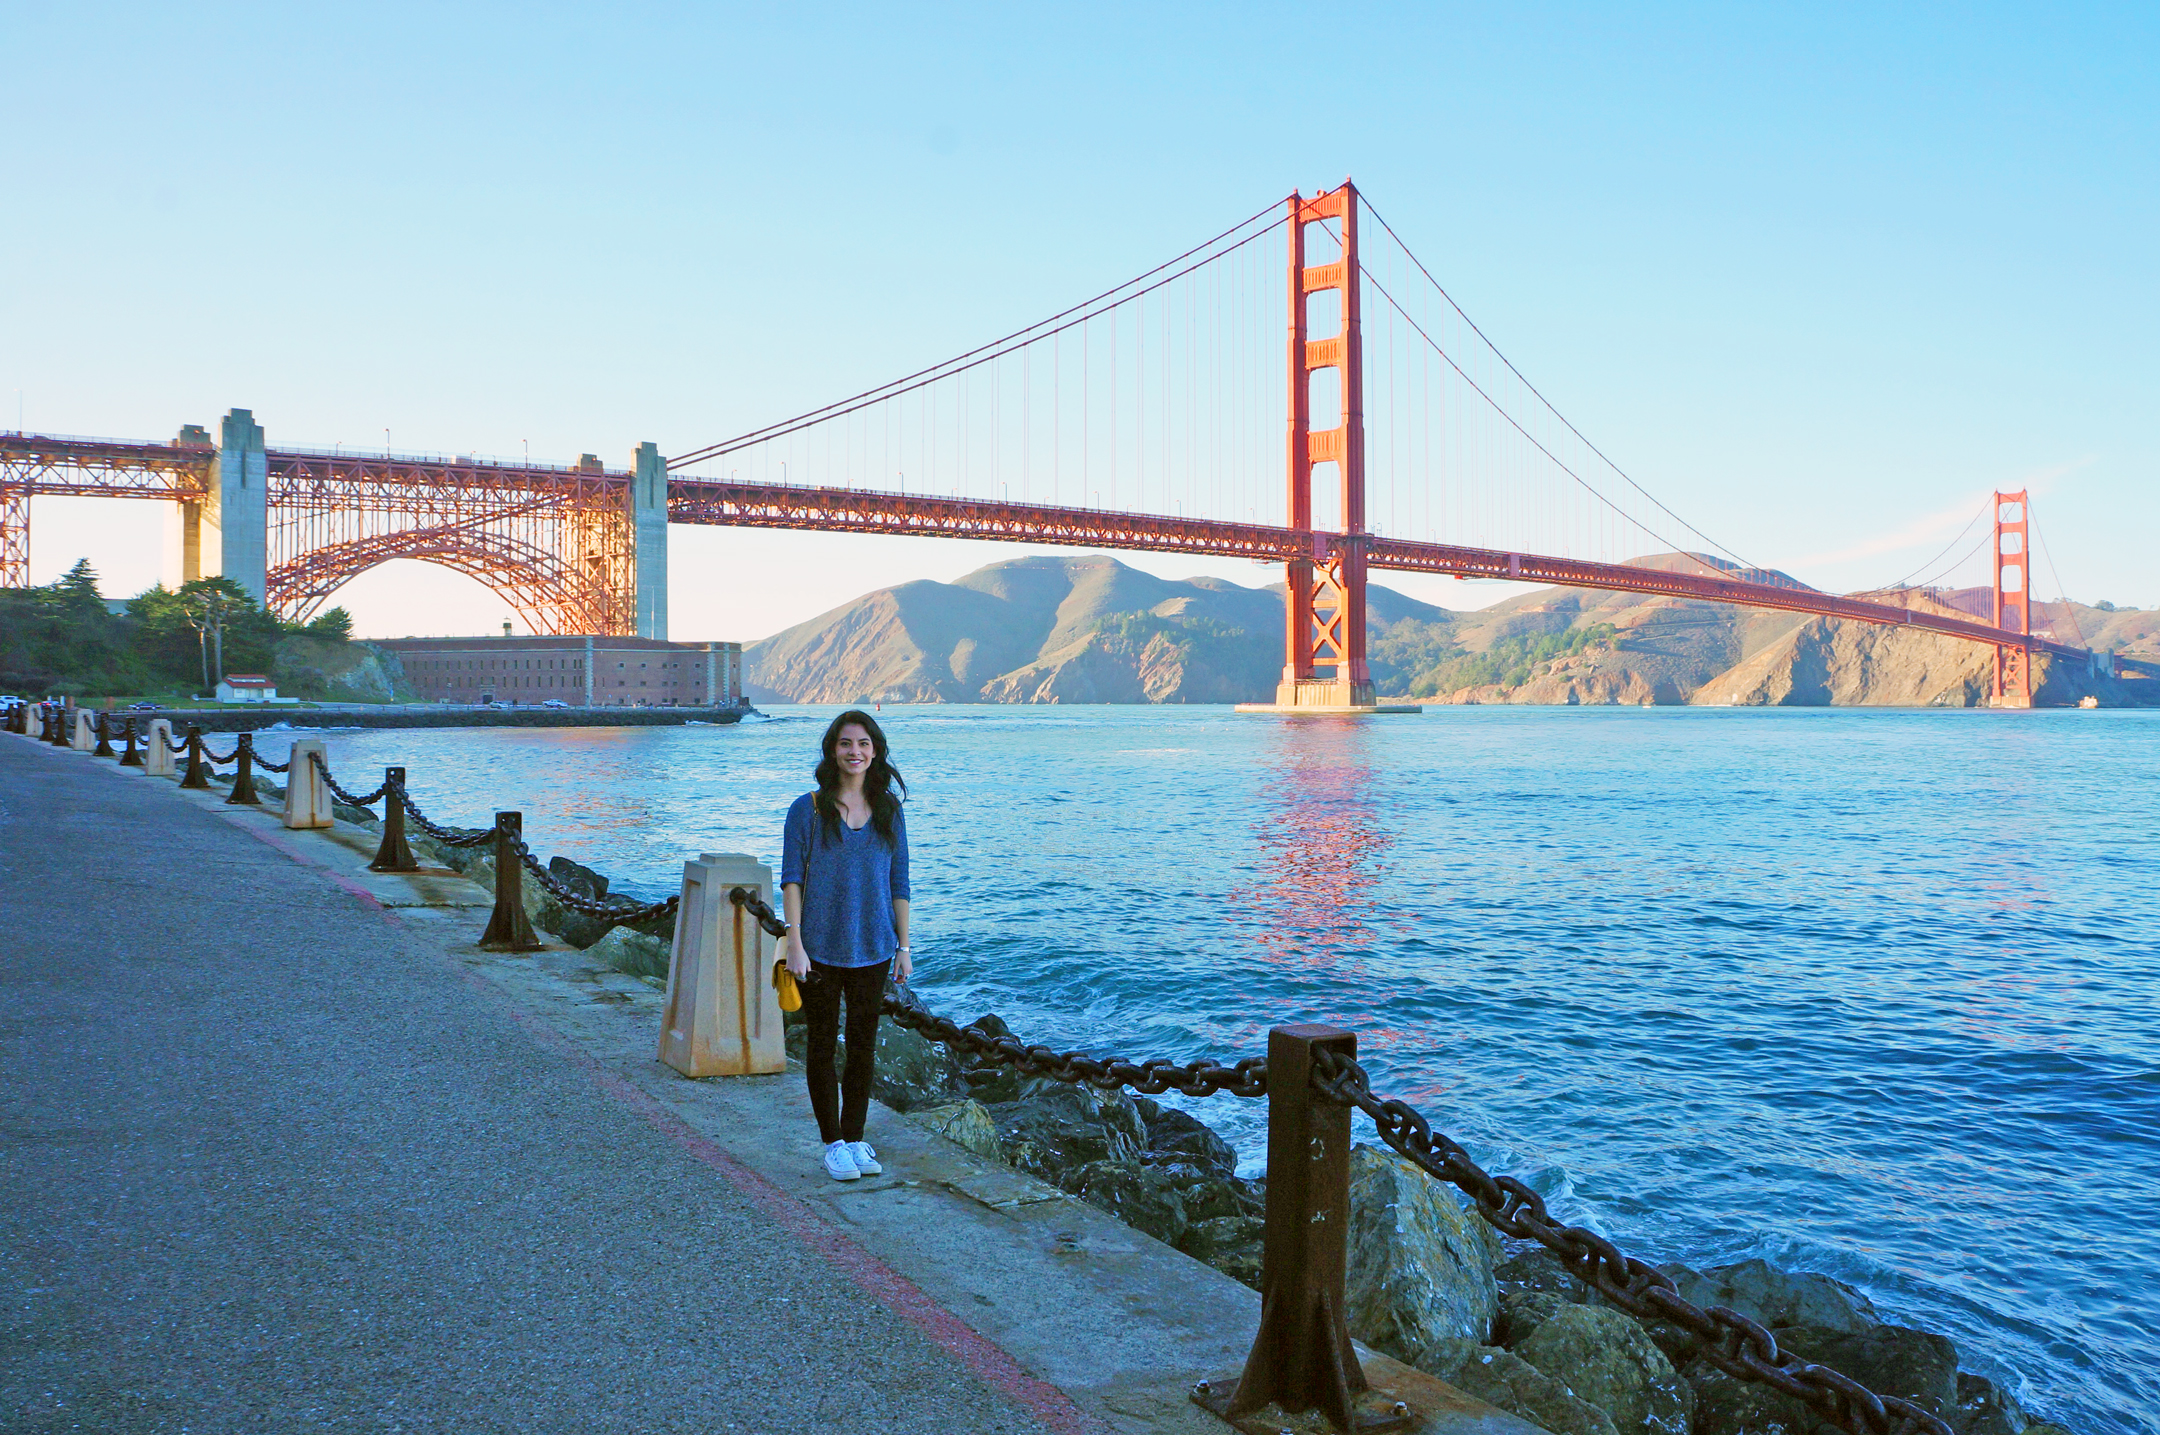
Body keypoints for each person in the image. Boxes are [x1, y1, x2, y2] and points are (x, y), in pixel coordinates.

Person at [781, 709, 912, 1181]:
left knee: (862, 1047)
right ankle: (832, 1143)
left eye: (862, 743)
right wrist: (795, 941)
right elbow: (792, 880)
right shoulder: (809, 810)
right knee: (820, 1045)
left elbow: (900, 882)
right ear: (832, 751)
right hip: (818, 947)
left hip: (875, 947)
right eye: (845, 743)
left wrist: (904, 947)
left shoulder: (888, 811)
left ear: (875, 751)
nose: (854, 751)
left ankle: (856, 1139)